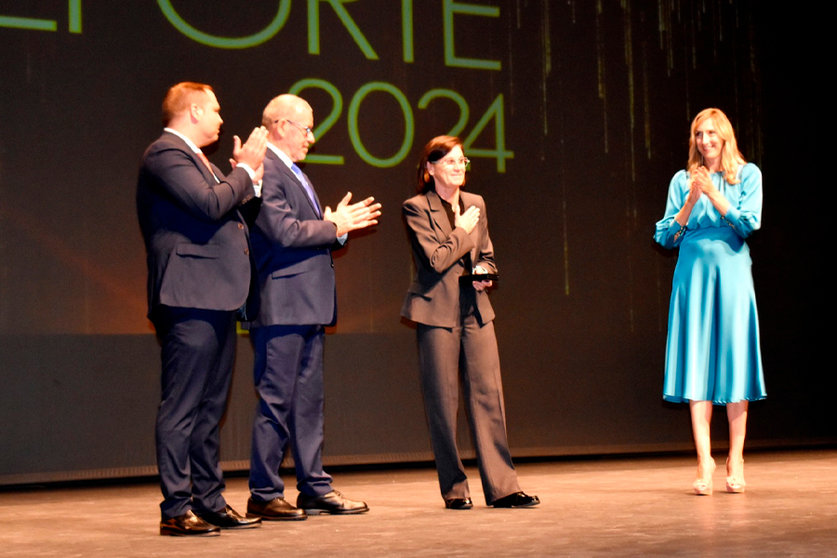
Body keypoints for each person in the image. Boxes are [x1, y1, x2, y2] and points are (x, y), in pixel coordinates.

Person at [136, 82, 268, 535]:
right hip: (188, 296)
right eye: (215, 109)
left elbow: (233, 217)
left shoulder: (204, 164)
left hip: (217, 296)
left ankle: (208, 500)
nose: (220, 118)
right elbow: (210, 205)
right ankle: (175, 507)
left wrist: (251, 184)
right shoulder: (166, 154)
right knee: (184, 406)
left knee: (210, 408)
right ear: (192, 111)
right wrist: (245, 172)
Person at [246, 94, 381, 520]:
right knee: (276, 400)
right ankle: (264, 492)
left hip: (307, 305)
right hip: (282, 304)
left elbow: (307, 230)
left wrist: (335, 229)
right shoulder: (264, 168)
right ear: (281, 125)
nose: (313, 137)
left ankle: (313, 486)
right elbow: (282, 232)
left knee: (307, 402)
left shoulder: (292, 171)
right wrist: (333, 225)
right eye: (306, 129)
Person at [400, 135, 539, 510]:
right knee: (442, 403)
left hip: (475, 309)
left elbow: (488, 254)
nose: (459, 168)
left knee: (488, 396)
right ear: (430, 169)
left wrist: (484, 271)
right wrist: (461, 230)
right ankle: (455, 489)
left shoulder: (476, 203)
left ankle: (503, 487)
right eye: (450, 162)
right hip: (435, 312)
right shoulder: (416, 207)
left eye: (463, 162)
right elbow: (436, 260)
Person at [654, 108, 766, 495]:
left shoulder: (747, 175)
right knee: (696, 361)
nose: (705, 141)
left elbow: (749, 223)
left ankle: (736, 456)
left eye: (711, 134)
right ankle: (704, 460)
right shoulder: (682, 180)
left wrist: (716, 194)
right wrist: (691, 200)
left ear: (725, 137)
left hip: (733, 275)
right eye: (699, 134)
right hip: (693, 278)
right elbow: (665, 237)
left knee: (734, 360)